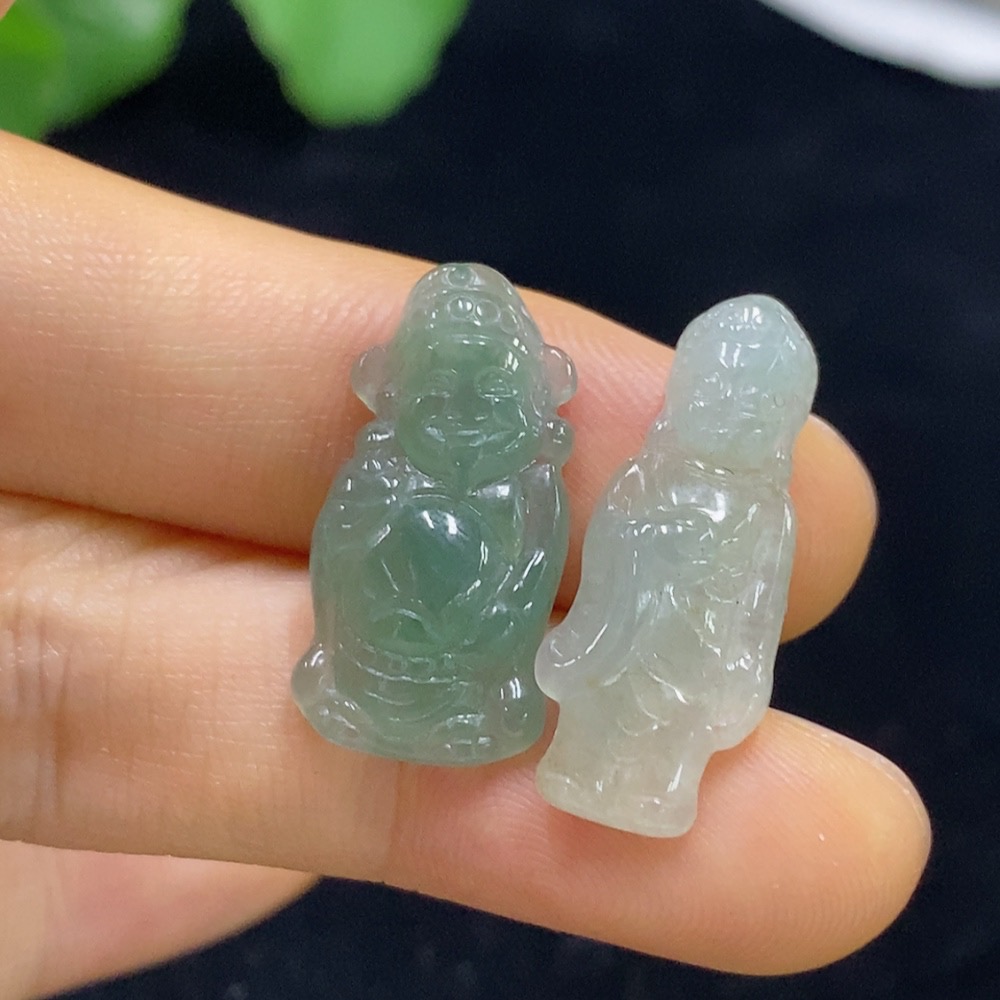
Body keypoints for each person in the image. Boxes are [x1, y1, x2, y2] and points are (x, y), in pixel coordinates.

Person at [0, 131, 930, 999]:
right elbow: (345, 558)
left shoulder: (668, 501)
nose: (464, 409)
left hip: (583, 674)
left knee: (619, 733)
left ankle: (611, 768)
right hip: (391, 653)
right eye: (443, 387)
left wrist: (680, 670)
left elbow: (569, 577)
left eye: (489, 390)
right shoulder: (401, 467)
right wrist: (387, 604)